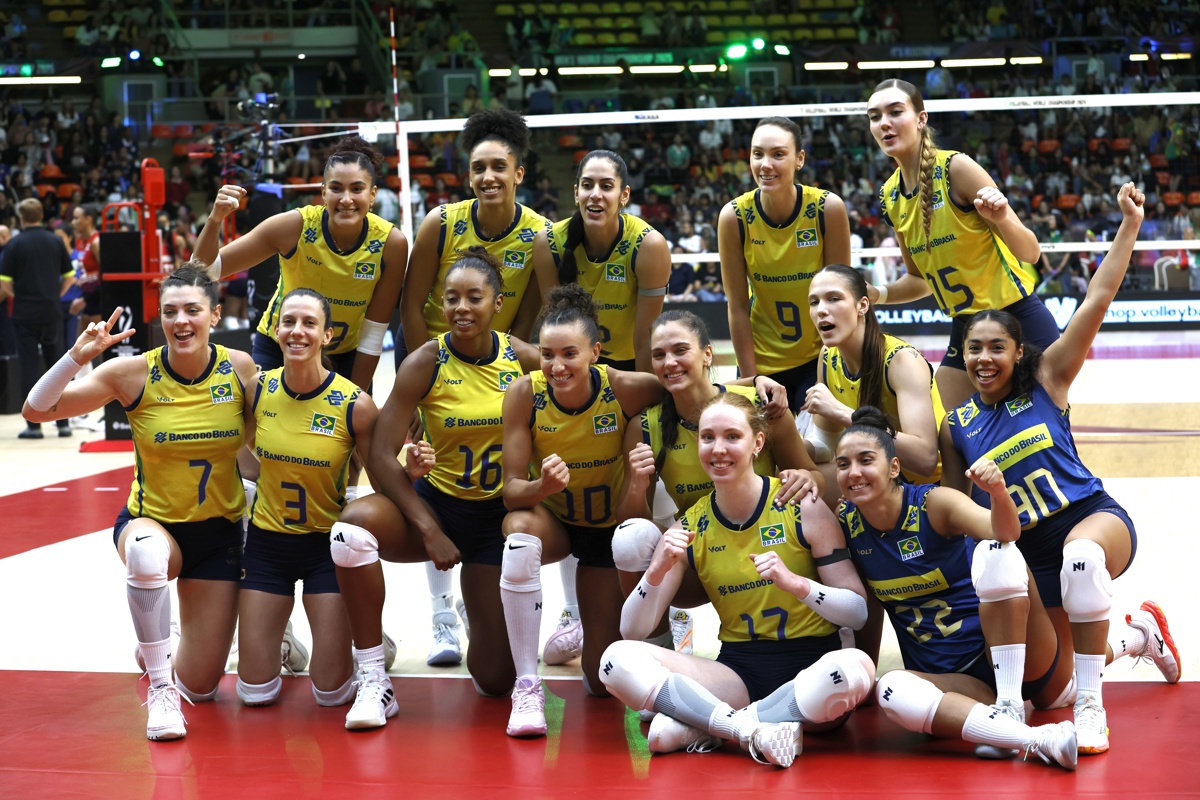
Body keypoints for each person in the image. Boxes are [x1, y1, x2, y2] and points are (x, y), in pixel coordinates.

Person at [941, 184, 1180, 755]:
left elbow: (1097, 297)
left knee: (1083, 559)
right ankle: (1139, 636)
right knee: (1050, 693)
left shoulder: (1048, 379)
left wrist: (1130, 223)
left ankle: (1093, 710)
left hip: (1089, 520)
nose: (983, 359)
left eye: (996, 347)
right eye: (974, 349)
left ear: (1018, 352)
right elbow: (955, 512)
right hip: (1030, 556)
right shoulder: (957, 425)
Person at [23, 265, 258, 740]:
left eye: (192, 310)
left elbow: (259, 448)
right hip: (152, 524)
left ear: (215, 315)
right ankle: (161, 687)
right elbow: (37, 409)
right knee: (147, 556)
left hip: (219, 533)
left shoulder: (240, 367)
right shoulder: (131, 373)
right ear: (160, 318)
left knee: (203, 686)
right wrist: (75, 357)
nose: (181, 321)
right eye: (170, 312)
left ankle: (163, 645)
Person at [599, 393, 876, 767]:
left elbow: (857, 613)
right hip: (736, 672)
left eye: (732, 436)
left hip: (811, 669)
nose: (718, 449)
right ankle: (749, 729)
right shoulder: (691, 526)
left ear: (757, 443)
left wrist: (797, 584)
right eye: (707, 437)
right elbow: (631, 631)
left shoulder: (799, 505)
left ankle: (711, 725)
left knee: (855, 668)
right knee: (615, 660)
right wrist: (655, 571)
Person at [330, 250, 538, 729]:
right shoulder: (426, 360)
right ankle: (373, 676)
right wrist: (428, 528)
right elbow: (381, 454)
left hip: (494, 519)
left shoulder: (524, 359)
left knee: (494, 681)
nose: (461, 308)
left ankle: (476, 609)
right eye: (451, 298)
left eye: (474, 297)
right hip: (438, 507)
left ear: (498, 303)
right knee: (353, 529)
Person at [834, 407, 1077, 769]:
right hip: (955, 680)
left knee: (999, 552)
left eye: (865, 460)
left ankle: (1010, 705)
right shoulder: (845, 525)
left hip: (1015, 653)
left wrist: (997, 492)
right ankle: (1033, 737)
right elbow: (865, 608)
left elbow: (1005, 532)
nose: (853, 472)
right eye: (843, 464)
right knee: (891, 687)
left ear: (894, 467)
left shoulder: (934, 503)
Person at [401, 107, 549, 667]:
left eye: (499, 167)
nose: (488, 176)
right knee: (429, 475)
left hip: (498, 368)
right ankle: (441, 615)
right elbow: (412, 306)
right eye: (479, 168)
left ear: (518, 174)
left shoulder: (539, 233)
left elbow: (532, 316)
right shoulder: (440, 223)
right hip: (436, 369)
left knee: (504, 480)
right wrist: (423, 381)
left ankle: (513, 608)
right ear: (468, 175)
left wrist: (513, 373)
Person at [498, 285, 663, 737]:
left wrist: (754, 384)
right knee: (518, 532)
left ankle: (591, 629)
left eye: (570, 354)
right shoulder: (524, 393)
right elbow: (511, 492)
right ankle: (527, 684)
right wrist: (543, 486)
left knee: (599, 683)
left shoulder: (624, 388)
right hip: (557, 524)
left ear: (595, 352)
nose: (557, 366)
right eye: (547, 354)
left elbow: (690, 388)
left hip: (609, 534)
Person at [530, 148, 671, 664]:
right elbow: (555, 325)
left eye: (606, 185)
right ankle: (574, 612)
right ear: (575, 192)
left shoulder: (647, 245)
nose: (595, 194)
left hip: (628, 373)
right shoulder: (551, 243)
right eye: (587, 184)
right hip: (574, 371)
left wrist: (638, 403)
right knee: (574, 484)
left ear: (624, 194)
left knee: (645, 482)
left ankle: (668, 612)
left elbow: (646, 338)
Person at [613, 310, 822, 653]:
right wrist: (637, 483)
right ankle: (660, 651)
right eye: (659, 355)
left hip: (770, 552)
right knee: (629, 537)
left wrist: (804, 478)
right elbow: (628, 522)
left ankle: (835, 633)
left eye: (680, 350)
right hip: (702, 560)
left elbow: (815, 477)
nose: (669, 362)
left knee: (818, 507)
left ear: (707, 354)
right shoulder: (646, 427)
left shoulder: (760, 405)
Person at [865, 79, 1057, 410]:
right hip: (966, 327)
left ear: (921, 119)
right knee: (946, 429)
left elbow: (1031, 252)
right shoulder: (889, 195)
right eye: (874, 116)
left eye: (895, 112)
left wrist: (1002, 218)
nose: (884, 123)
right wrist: (876, 294)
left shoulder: (956, 168)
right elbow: (918, 280)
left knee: (1033, 433)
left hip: (1018, 321)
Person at [235, 288, 378, 711]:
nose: (297, 331)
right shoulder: (257, 390)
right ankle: (288, 645)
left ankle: (371, 639)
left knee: (331, 693)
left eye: (309, 323)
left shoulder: (355, 404)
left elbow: (384, 481)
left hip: (325, 549)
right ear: (276, 330)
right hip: (267, 545)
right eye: (288, 322)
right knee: (254, 692)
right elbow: (244, 455)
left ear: (327, 335)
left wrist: (415, 473)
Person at [195, 135, 407, 395]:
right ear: (323, 192)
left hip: (345, 355)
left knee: (353, 419)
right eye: (336, 188)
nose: (346, 199)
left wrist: (354, 399)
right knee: (262, 418)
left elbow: (373, 335)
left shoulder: (391, 243)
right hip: (281, 347)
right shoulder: (294, 226)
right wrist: (215, 219)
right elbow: (204, 270)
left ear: (372, 194)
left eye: (357, 189)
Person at [718, 117, 852, 421]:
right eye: (757, 154)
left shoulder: (826, 208)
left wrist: (836, 368)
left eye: (778, 154)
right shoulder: (734, 217)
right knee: (758, 443)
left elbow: (842, 298)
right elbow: (737, 306)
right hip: (761, 363)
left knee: (817, 445)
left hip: (817, 360)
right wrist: (752, 380)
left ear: (799, 159)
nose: (765, 164)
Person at [803, 264, 945, 508]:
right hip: (875, 475)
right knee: (795, 475)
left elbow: (925, 459)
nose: (821, 310)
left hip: (927, 488)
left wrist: (843, 414)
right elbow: (826, 446)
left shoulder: (902, 361)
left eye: (834, 299)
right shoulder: (827, 356)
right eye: (814, 302)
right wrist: (782, 444)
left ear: (863, 305)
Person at [1, 198, 76, 439]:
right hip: (51, 311)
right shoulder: (55, 241)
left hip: (24, 313)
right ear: (42, 215)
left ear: (21, 217)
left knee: (28, 367)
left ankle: (33, 426)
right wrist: (56, 295)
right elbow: (70, 276)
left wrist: (18, 296)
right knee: (59, 367)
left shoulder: (14, 244)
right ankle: (63, 423)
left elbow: (4, 282)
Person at [71, 203, 102, 342]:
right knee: (80, 346)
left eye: (76, 218)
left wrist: (85, 300)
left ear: (88, 220)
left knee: (95, 345)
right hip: (86, 295)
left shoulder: (96, 242)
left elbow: (105, 278)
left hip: (97, 299)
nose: (73, 222)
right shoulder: (80, 241)